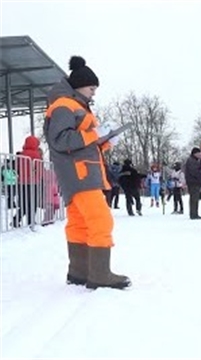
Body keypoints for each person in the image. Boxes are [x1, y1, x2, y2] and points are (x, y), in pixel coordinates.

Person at [44, 55, 130, 289]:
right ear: (80, 85)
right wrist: (95, 133)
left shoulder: (73, 105)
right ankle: (100, 274)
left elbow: (81, 143)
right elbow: (60, 140)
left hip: (78, 174)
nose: (94, 93)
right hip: (81, 175)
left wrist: (107, 140)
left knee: (79, 223)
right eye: (92, 88)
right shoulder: (64, 105)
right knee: (101, 220)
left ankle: (79, 272)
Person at [185, 147, 201, 219]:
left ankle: (195, 213)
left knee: (195, 198)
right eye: (199, 153)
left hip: (195, 182)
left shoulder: (196, 160)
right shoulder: (191, 161)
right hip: (193, 182)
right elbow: (195, 171)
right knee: (194, 198)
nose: (200, 155)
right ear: (195, 154)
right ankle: (193, 214)